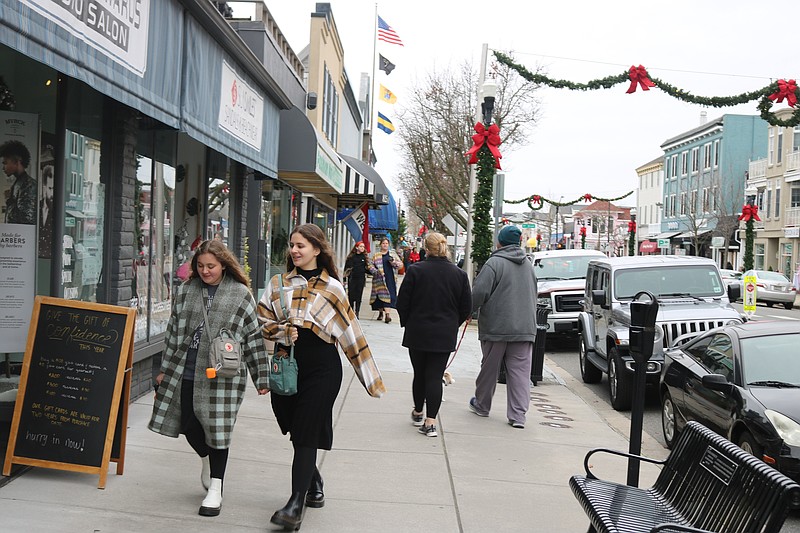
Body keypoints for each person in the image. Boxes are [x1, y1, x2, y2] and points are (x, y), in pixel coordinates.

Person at [259, 223, 385, 531]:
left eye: (301, 245)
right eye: (292, 244)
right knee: (293, 426)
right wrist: (281, 331)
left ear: (317, 249)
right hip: (286, 367)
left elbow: (351, 334)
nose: (294, 250)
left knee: (305, 431)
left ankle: (294, 505)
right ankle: (313, 480)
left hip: (323, 370)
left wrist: (371, 378)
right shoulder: (278, 283)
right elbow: (262, 320)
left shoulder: (333, 288)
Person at [148, 240, 269, 517]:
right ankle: (206, 459)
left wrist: (261, 376)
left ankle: (216, 486)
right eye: (200, 266)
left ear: (223, 264)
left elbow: (252, 337)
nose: (205, 271)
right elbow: (173, 333)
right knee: (188, 424)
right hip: (186, 369)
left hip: (223, 374)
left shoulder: (240, 294)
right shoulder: (187, 291)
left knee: (218, 429)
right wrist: (165, 369)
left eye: (211, 266)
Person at [396, 232, 472, 437]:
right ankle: (431, 422)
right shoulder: (459, 274)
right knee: (434, 375)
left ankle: (419, 411)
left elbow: (402, 302)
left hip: (418, 330)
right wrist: (452, 324)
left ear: (426, 249)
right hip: (444, 332)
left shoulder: (416, 270)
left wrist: (407, 322)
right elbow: (466, 307)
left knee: (419, 373)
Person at [468, 225, 537, 429]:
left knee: (490, 369)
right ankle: (518, 416)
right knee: (520, 373)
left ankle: (482, 405)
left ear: (500, 242)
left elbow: (478, 293)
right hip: (524, 328)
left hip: (496, 327)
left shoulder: (494, 263)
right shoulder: (528, 265)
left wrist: (468, 311)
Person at [1, 140, 37, 225]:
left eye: (5, 163)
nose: (3, 168)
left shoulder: (28, 185)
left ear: (17, 162)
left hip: (20, 235)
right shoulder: (21, 183)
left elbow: (26, 218)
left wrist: (9, 201)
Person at [368, 237, 403, 323]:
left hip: (390, 277)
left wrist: (395, 263)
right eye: (383, 243)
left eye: (386, 243)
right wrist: (375, 271)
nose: (385, 245)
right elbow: (370, 265)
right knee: (380, 296)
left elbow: (400, 265)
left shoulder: (392, 254)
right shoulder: (376, 255)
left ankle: (387, 315)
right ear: (380, 245)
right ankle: (381, 313)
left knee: (390, 295)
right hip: (379, 278)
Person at [343, 241, 368, 317]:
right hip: (352, 278)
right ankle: (351, 311)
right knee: (351, 295)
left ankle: (357, 312)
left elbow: (367, 268)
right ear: (356, 247)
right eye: (361, 246)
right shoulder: (351, 257)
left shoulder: (364, 257)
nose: (362, 248)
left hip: (361, 278)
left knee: (359, 295)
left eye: (363, 247)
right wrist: (344, 280)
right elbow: (346, 269)